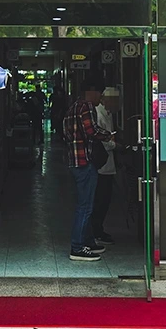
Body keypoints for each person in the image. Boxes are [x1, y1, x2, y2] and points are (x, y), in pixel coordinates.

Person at [64, 78, 114, 262]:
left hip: (75, 160)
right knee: (85, 206)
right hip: (84, 161)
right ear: (91, 92)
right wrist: (108, 135)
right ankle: (78, 247)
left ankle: (88, 241)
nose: (101, 97)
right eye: (100, 93)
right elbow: (91, 130)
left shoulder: (72, 108)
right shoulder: (86, 107)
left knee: (85, 204)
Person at [90, 86, 120, 246]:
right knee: (100, 200)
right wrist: (115, 145)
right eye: (114, 101)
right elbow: (102, 141)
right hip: (101, 165)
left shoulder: (109, 114)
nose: (117, 105)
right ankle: (95, 231)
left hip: (108, 164)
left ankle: (98, 229)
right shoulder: (98, 114)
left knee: (105, 199)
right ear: (105, 100)